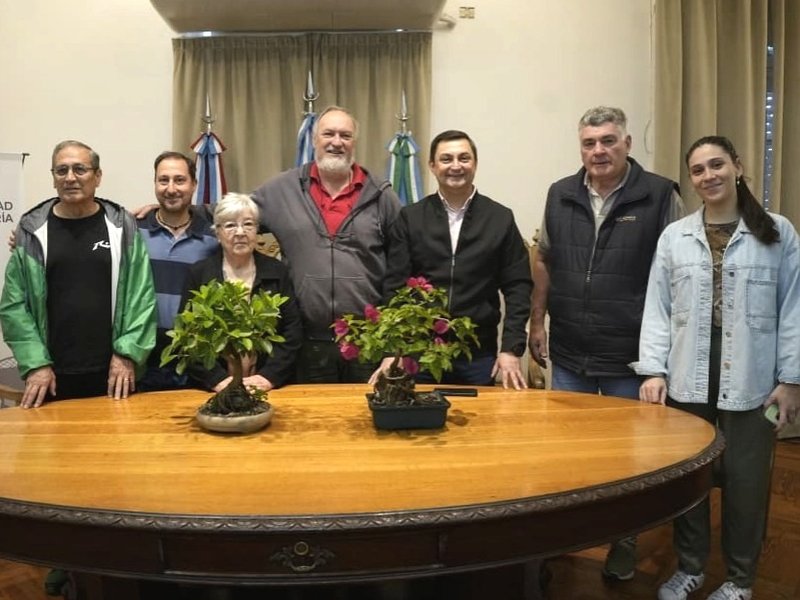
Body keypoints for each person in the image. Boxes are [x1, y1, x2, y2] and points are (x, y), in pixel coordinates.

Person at [633, 136, 800, 600]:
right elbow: (658, 308)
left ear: (738, 167)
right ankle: (689, 568)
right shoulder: (676, 236)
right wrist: (653, 371)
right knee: (691, 481)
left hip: (756, 381)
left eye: (717, 165)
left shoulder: (778, 232)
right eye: (699, 170)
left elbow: (794, 309)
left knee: (749, 482)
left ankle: (740, 579)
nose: (709, 176)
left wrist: (791, 381)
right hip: (688, 377)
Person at [528, 106, 684, 580]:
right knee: (569, 453)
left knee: (628, 458)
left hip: (629, 356)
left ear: (627, 143)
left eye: (608, 140)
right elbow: (545, 259)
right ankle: (567, 535)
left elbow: (677, 273)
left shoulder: (659, 195)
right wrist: (538, 322)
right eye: (590, 142)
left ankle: (625, 539)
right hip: (572, 349)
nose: (599, 150)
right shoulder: (561, 193)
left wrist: (664, 352)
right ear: (581, 146)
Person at [0, 140, 156, 408]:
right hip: (50, 375)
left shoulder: (122, 227)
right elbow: (14, 305)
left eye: (79, 169)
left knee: (119, 448)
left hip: (114, 374)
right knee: (51, 448)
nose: (70, 178)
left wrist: (127, 354)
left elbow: (141, 296)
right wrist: (36, 363)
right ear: (53, 179)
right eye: (61, 171)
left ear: (97, 176)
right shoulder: (31, 230)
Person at [251, 105, 401, 383]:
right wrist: (177, 213)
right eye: (328, 134)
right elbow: (233, 213)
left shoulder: (382, 196)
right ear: (314, 139)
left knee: (366, 422)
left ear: (354, 142)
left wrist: (393, 347)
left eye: (345, 135)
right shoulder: (282, 189)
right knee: (309, 422)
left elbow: (400, 270)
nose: (336, 142)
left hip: (367, 345)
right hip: (304, 344)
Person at [378, 130, 531, 388]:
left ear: (475, 164)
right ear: (432, 166)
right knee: (419, 426)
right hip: (420, 353)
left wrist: (511, 349)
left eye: (464, 158)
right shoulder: (410, 218)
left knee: (480, 426)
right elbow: (395, 287)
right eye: (447, 159)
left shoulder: (500, 218)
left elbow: (519, 286)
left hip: (478, 354)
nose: (456, 166)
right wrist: (393, 350)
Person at [182, 193, 302, 392]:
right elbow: (188, 336)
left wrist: (268, 377)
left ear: (257, 231)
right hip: (213, 388)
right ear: (217, 233)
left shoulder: (277, 271)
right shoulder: (199, 274)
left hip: (267, 386)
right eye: (230, 225)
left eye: (248, 224)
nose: (240, 232)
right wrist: (217, 380)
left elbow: (292, 331)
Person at [137, 151, 218, 391]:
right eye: (163, 180)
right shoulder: (133, 231)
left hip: (196, 360)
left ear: (193, 184)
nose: (171, 188)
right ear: (155, 184)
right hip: (143, 358)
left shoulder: (214, 237)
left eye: (179, 180)